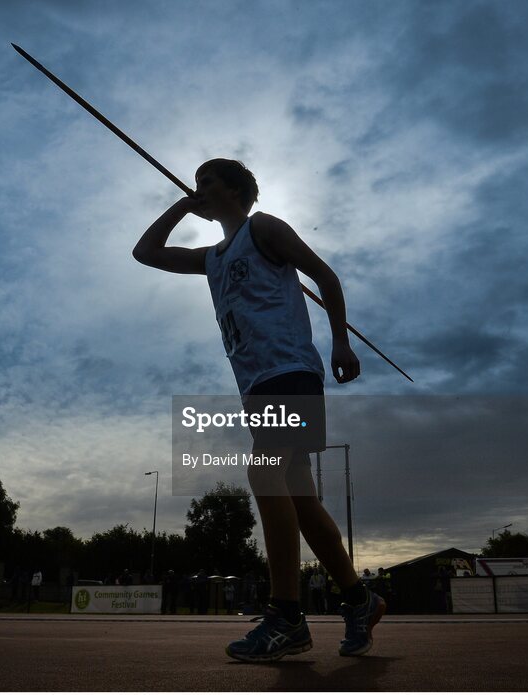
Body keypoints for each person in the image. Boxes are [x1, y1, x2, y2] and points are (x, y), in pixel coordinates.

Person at [134, 159, 384, 661]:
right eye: (195, 182)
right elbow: (146, 253)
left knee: (263, 469)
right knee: (300, 499)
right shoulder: (212, 258)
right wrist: (184, 204)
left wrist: (341, 343)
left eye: (207, 182)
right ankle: (359, 599)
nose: (198, 187)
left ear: (236, 191)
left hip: (291, 370)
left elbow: (326, 278)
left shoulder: (263, 228)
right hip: (255, 385)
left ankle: (287, 614)